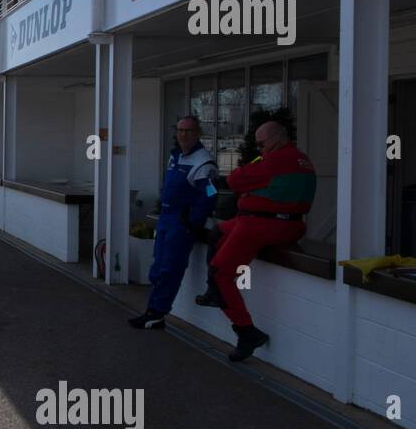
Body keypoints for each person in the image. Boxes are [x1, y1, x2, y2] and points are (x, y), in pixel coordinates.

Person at [195, 120, 316, 361]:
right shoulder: (303, 160)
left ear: (277, 140)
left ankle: (246, 331)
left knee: (221, 275)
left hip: (262, 225)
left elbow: (235, 180)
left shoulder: (274, 160)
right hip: (288, 224)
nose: (259, 149)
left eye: (261, 144)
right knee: (218, 232)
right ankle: (212, 293)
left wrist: (251, 170)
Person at [128, 117, 217, 331]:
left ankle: (156, 313)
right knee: (157, 268)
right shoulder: (176, 156)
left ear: (197, 133)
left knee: (169, 269)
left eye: (188, 131)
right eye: (180, 130)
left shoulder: (204, 162)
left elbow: (210, 195)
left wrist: (192, 223)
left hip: (181, 223)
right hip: (166, 218)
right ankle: (153, 312)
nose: (184, 135)